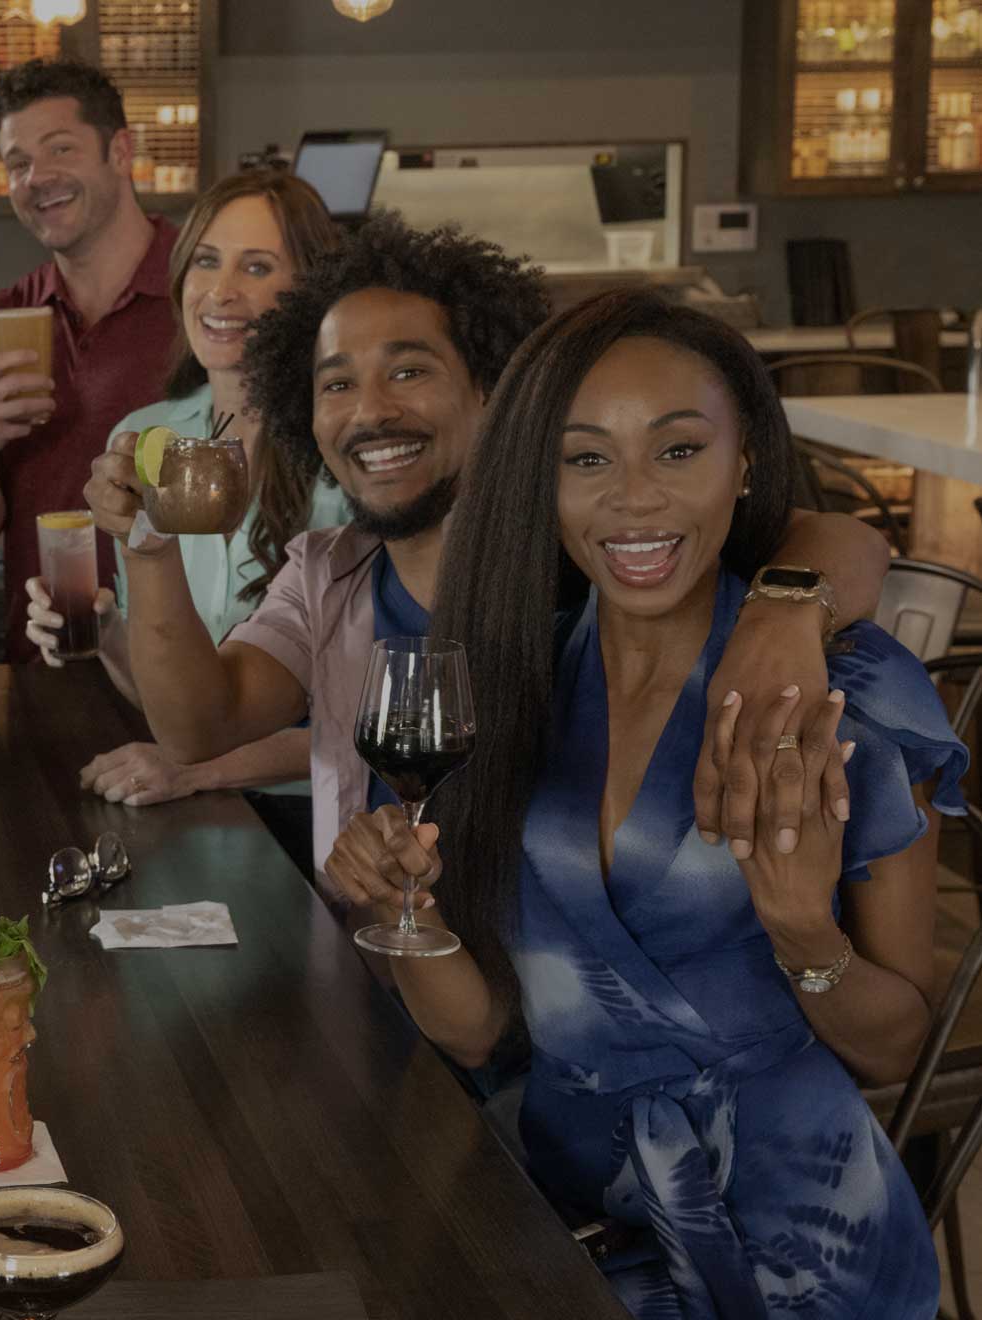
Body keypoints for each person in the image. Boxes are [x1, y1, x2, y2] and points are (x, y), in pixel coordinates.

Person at [325, 290, 960, 1318]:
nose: (633, 500)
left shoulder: (851, 695)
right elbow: (484, 1033)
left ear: (745, 462)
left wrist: (803, 930)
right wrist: (407, 917)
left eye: (677, 452)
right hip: (565, 1222)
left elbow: (895, 1051)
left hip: (802, 1245)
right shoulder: (505, 683)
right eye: (586, 460)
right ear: (543, 481)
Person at [97, 214, 894, 885]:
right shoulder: (324, 571)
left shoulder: (591, 547)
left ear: (492, 390)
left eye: (408, 370)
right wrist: (150, 546)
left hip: (556, 1006)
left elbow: (847, 541)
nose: (369, 412)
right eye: (335, 385)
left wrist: (782, 617)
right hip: (383, 970)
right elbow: (198, 729)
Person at [22, 170, 347, 829]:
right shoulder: (141, 440)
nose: (220, 292)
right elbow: (169, 702)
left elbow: (367, 719)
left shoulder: (346, 455)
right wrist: (107, 633)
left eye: (256, 266)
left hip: (322, 822)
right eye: (205, 260)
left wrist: (200, 770)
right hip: (196, 810)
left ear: (309, 293)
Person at [0, 58, 183, 662]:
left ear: (119, 150)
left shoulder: (202, 297)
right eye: (17, 163)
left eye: (60, 149)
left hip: (187, 670)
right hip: (44, 662)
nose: (37, 177)